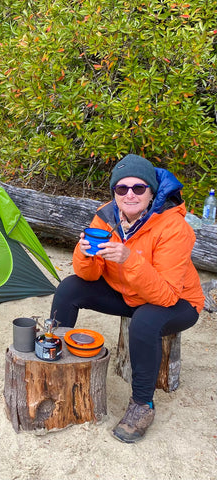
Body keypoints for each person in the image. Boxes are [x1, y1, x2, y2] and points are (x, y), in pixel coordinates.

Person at [50, 154, 205, 444]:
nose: (130, 194)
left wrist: (129, 259)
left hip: (179, 301)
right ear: (114, 193)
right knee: (69, 288)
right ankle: (56, 362)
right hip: (128, 291)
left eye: (138, 188)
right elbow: (88, 276)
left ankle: (142, 405)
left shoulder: (174, 227)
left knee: (145, 320)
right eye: (122, 189)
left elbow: (166, 294)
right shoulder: (105, 217)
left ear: (151, 193)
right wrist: (84, 253)